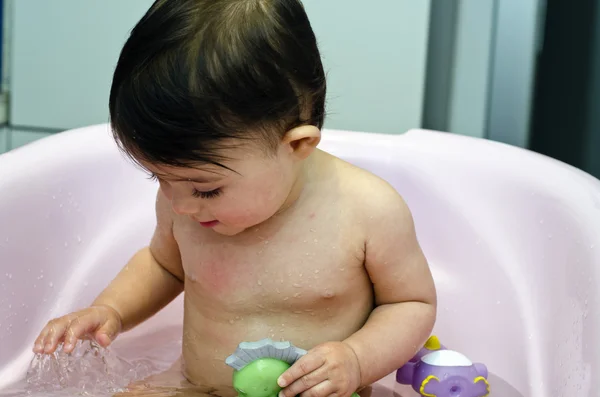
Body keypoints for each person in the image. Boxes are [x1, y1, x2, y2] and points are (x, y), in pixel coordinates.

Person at [32, 1, 437, 396]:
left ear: (297, 145)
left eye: (206, 188)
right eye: (160, 178)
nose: (181, 205)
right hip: (194, 387)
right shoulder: (185, 202)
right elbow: (164, 265)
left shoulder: (366, 209)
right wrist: (112, 311)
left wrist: (356, 359)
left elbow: (410, 303)